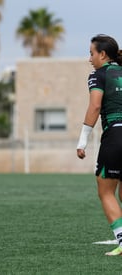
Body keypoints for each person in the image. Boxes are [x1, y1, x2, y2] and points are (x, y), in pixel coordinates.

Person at [77, 34, 122, 256]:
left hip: (116, 135)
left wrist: (82, 140)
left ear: (102, 54)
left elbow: (95, 106)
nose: (90, 58)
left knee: (105, 190)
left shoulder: (98, 75)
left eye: (91, 53)